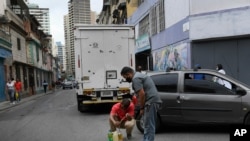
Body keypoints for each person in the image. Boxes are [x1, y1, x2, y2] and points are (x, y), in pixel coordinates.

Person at [120, 66, 162, 141]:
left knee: (149, 125)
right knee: (147, 124)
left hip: (150, 102)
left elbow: (141, 94)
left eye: (125, 77)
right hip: (151, 101)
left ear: (129, 74)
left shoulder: (135, 79)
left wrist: (142, 108)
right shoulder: (139, 75)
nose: (125, 79)